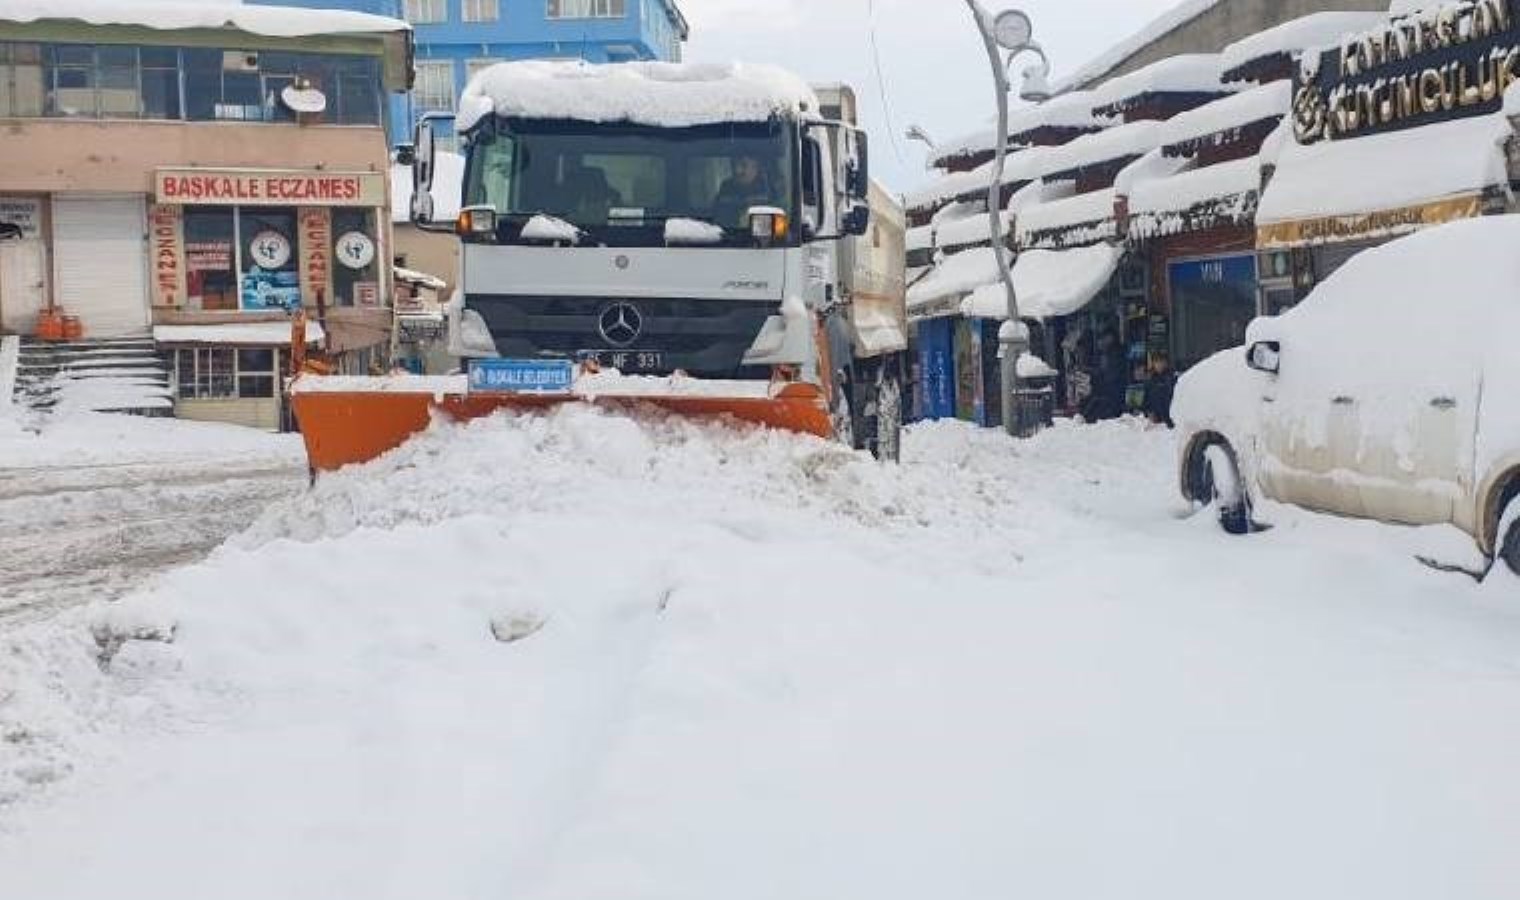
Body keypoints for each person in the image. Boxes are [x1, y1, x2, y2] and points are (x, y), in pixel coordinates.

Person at [713, 155, 773, 226]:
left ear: (755, 168)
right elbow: (716, 214)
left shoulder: (768, 189)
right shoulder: (726, 187)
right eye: (734, 165)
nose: (737, 170)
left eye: (743, 165)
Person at [1144, 357, 1178, 428]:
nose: (1159, 365)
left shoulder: (1172, 377)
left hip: (1171, 416)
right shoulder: (1150, 379)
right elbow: (1147, 397)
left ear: (1165, 363)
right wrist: (1148, 412)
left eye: (1161, 362)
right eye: (1156, 363)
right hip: (1155, 418)